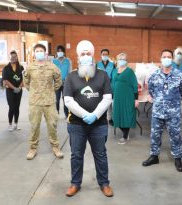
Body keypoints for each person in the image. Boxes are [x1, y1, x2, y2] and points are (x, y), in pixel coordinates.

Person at [64, 40, 113, 197]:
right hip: (76, 124)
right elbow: (68, 101)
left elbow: (107, 98)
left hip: (98, 125)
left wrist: (95, 115)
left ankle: (104, 183)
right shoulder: (71, 77)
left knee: (100, 154)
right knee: (76, 155)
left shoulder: (102, 75)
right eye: (82, 54)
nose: (86, 56)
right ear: (78, 56)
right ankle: (75, 183)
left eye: (88, 54)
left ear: (93, 56)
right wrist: (84, 115)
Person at [142, 49, 182, 172]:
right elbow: (150, 90)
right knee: (155, 135)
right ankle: (154, 156)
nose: (166, 58)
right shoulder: (154, 75)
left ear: (172, 59)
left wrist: (172, 101)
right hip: (158, 112)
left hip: (173, 113)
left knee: (175, 136)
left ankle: (177, 158)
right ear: (161, 58)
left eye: (168, 56)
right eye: (164, 56)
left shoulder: (179, 75)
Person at [23, 44, 64, 160]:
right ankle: (32, 148)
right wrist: (34, 91)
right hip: (35, 102)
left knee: (52, 124)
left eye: (41, 51)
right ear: (34, 53)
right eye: (37, 51)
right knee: (34, 125)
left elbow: (58, 80)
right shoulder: (30, 67)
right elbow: (26, 81)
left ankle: (56, 147)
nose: (39, 53)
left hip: (49, 101)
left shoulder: (52, 67)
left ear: (45, 54)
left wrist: (51, 90)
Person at [111, 53, 139, 144]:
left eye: (124, 59)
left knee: (127, 116)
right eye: (120, 59)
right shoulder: (114, 71)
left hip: (128, 97)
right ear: (117, 60)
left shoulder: (130, 71)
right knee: (117, 116)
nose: (122, 60)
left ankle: (125, 136)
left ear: (126, 61)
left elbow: (135, 85)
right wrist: (111, 96)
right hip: (117, 97)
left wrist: (136, 99)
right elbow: (112, 84)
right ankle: (125, 133)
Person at [2, 51, 24, 131]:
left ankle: (16, 124)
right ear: (9, 57)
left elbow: (24, 78)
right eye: (12, 56)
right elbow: (5, 80)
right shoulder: (6, 68)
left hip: (19, 90)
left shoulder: (21, 67)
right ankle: (10, 124)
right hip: (10, 90)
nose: (13, 57)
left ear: (17, 57)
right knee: (12, 107)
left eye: (15, 56)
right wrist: (14, 88)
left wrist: (19, 87)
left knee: (17, 107)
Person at [96, 48, 115, 125]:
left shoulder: (112, 64)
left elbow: (113, 76)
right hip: (100, 86)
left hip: (110, 86)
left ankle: (110, 119)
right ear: (101, 55)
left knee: (110, 103)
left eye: (106, 54)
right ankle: (101, 118)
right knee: (101, 103)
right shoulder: (97, 64)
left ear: (108, 55)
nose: (104, 56)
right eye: (103, 54)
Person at [53, 45, 72, 118]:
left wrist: (67, 80)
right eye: (58, 51)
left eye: (61, 51)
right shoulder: (54, 61)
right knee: (56, 100)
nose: (60, 52)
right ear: (57, 52)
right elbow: (52, 72)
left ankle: (66, 114)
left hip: (65, 83)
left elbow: (69, 71)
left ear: (64, 52)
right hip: (57, 83)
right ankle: (56, 113)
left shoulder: (67, 60)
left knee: (65, 100)